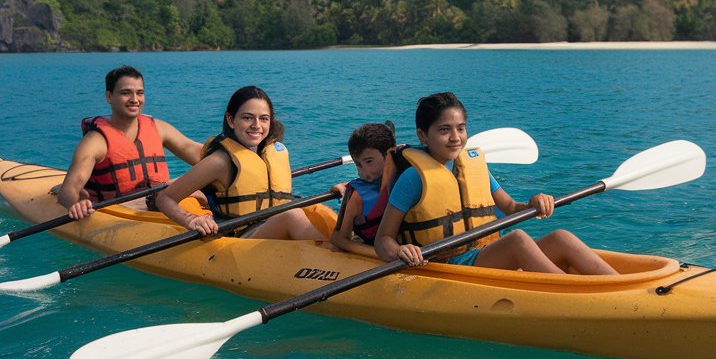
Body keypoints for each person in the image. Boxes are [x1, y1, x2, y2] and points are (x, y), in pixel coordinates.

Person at [374, 92, 617, 274]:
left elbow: (510, 208)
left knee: (561, 237)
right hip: (448, 263)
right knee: (517, 239)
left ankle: (616, 285)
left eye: (461, 128)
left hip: (484, 252)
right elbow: (383, 239)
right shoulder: (413, 177)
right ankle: (575, 295)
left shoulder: (470, 165)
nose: (455, 137)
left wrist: (534, 202)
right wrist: (399, 251)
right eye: (444, 130)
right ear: (423, 135)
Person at [155, 86, 324, 240]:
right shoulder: (220, 161)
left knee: (315, 212)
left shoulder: (274, 151)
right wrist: (191, 220)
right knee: (293, 216)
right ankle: (331, 260)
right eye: (247, 118)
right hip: (241, 237)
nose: (256, 125)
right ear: (230, 119)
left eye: (263, 119)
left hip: (271, 227)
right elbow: (165, 198)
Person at [58, 65, 204, 220]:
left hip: (162, 202)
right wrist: (75, 204)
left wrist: (227, 151)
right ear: (109, 96)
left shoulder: (159, 128)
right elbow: (68, 190)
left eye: (139, 93)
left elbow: (194, 151)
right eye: (125, 93)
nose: (134, 99)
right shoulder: (95, 142)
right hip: (122, 210)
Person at [329, 121, 397, 256]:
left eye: (369, 162)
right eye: (358, 164)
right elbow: (339, 239)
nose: (363, 172)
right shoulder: (358, 197)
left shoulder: (404, 177)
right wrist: (382, 254)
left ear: (388, 154)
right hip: (377, 252)